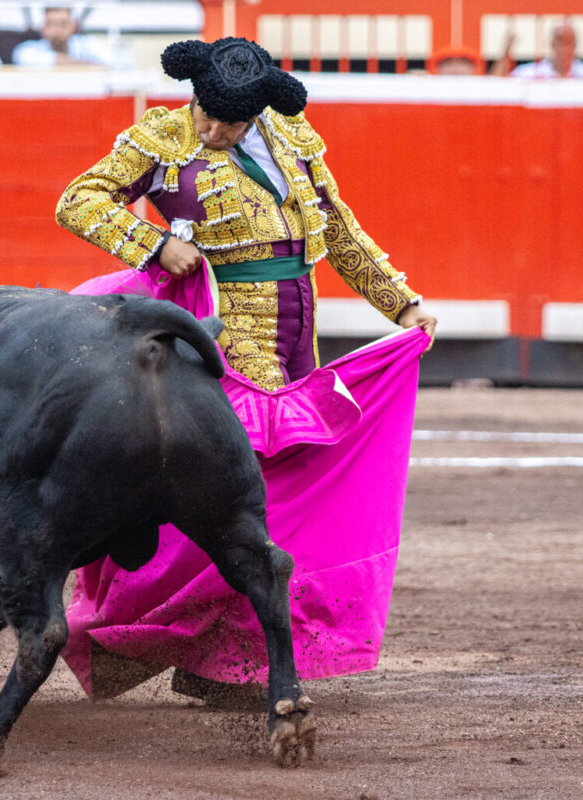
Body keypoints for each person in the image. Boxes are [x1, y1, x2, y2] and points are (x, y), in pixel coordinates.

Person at [55, 37, 437, 705]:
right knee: (246, 487)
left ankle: (223, 654)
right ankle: (173, 645)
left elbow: (339, 232)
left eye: (225, 123)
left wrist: (400, 303)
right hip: (219, 330)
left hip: (296, 328)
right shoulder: (163, 135)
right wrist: (156, 240)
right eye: (203, 113)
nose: (209, 130)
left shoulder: (293, 135)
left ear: (258, 112)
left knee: (276, 484)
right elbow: (78, 200)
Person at [492, 23, 583, 78]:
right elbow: (496, 82)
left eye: (569, 41)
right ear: (552, 44)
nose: (564, 46)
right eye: (560, 40)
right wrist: (506, 51)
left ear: (575, 46)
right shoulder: (534, 72)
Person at [12, 6, 113, 69]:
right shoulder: (28, 49)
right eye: (51, 24)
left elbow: (113, 62)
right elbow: (23, 58)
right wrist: (88, 66)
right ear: (43, 27)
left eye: (63, 24)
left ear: (73, 26)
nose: (57, 30)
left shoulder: (88, 45)